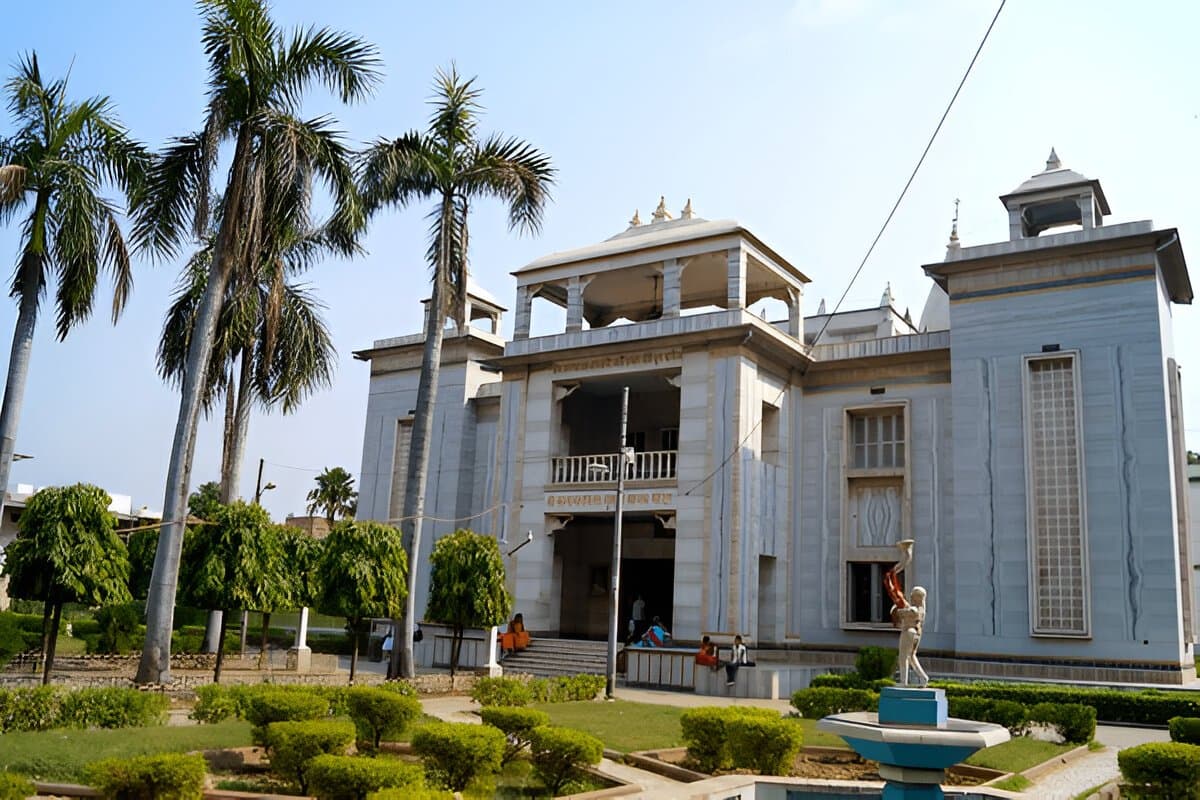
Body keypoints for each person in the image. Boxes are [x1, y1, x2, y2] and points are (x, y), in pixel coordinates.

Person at [896, 587, 929, 686]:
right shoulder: (922, 609)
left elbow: (900, 613)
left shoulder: (914, 609)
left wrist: (901, 608)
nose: (910, 596)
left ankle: (903, 682)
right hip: (916, 634)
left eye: (913, 594)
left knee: (903, 657)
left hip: (908, 632)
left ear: (917, 597)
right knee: (911, 656)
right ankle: (923, 678)